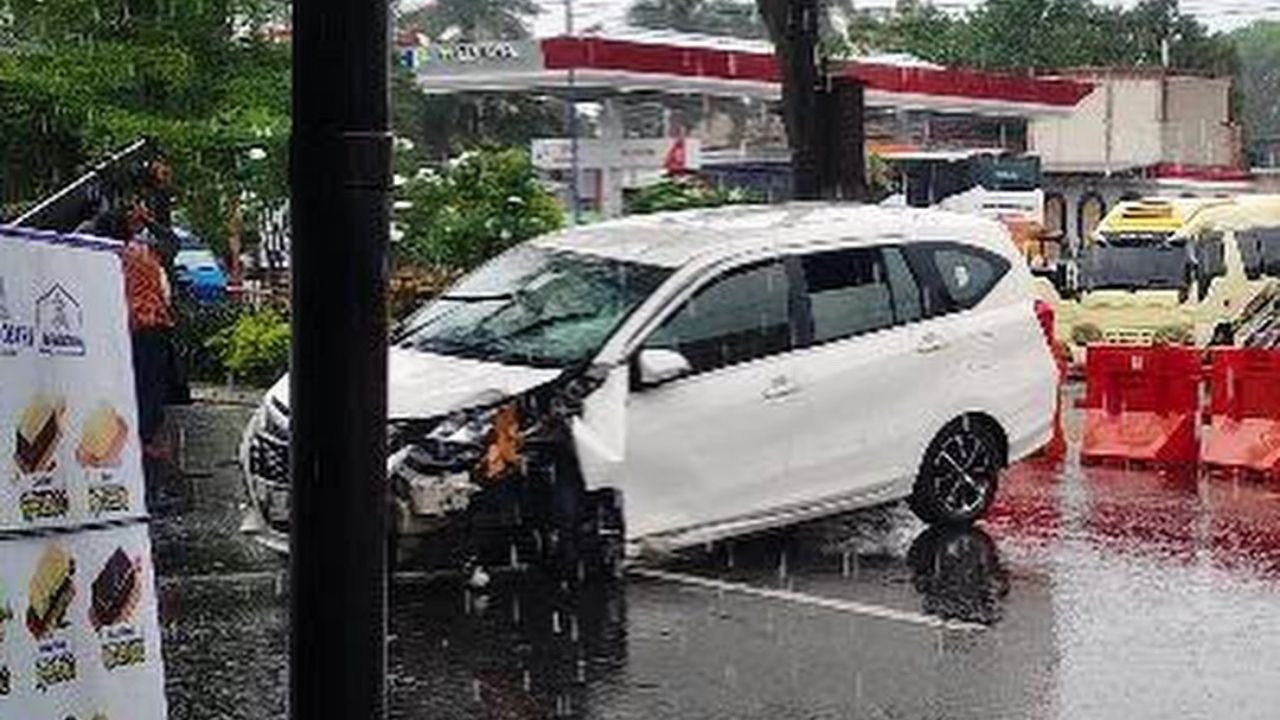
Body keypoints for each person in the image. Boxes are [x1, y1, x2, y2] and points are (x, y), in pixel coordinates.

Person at [97, 206, 174, 459]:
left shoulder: (106, 258)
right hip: (153, 325)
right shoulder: (143, 252)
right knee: (149, 385)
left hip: (131, 327)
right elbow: (172, 243)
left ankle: (139, 441)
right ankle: (145, 439)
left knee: (136, 385)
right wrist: (149, 219)